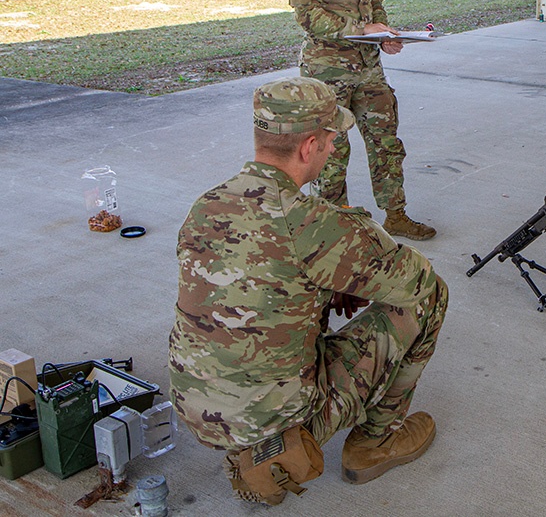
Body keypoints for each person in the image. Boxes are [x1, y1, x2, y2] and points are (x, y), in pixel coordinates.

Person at [168, 76, 448, 505]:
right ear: (308, 146)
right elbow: (417, 280)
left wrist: (323, 288)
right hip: (274, 417)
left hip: (197, 411)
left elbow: (252, 285)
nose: (335, 149)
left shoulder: (208, 204)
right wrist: (357, 253)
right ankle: (369, 443)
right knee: (431, 298)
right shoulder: (312, 221)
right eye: (332, 139)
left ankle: (254, 447)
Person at [288, 0, 435, 240]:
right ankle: (333, 227)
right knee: (331, 153)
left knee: (387, 142)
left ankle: (396, 215)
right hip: (327, 72)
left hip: (369, 68)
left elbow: (376, 6)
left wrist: (385, 34)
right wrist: (360, 30)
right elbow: (307, 16)